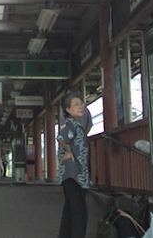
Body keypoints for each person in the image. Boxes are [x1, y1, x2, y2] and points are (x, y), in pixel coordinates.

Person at [57, 90, 93, 238]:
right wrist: (68, 150)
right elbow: (60, 138)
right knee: (80, 212)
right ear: (68, 110)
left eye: (81, 104)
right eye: (76, 104)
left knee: (70, 210)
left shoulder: (78, 126)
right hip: (73, 174)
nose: (81, 106)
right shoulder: (69, 124)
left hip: (78, 175)